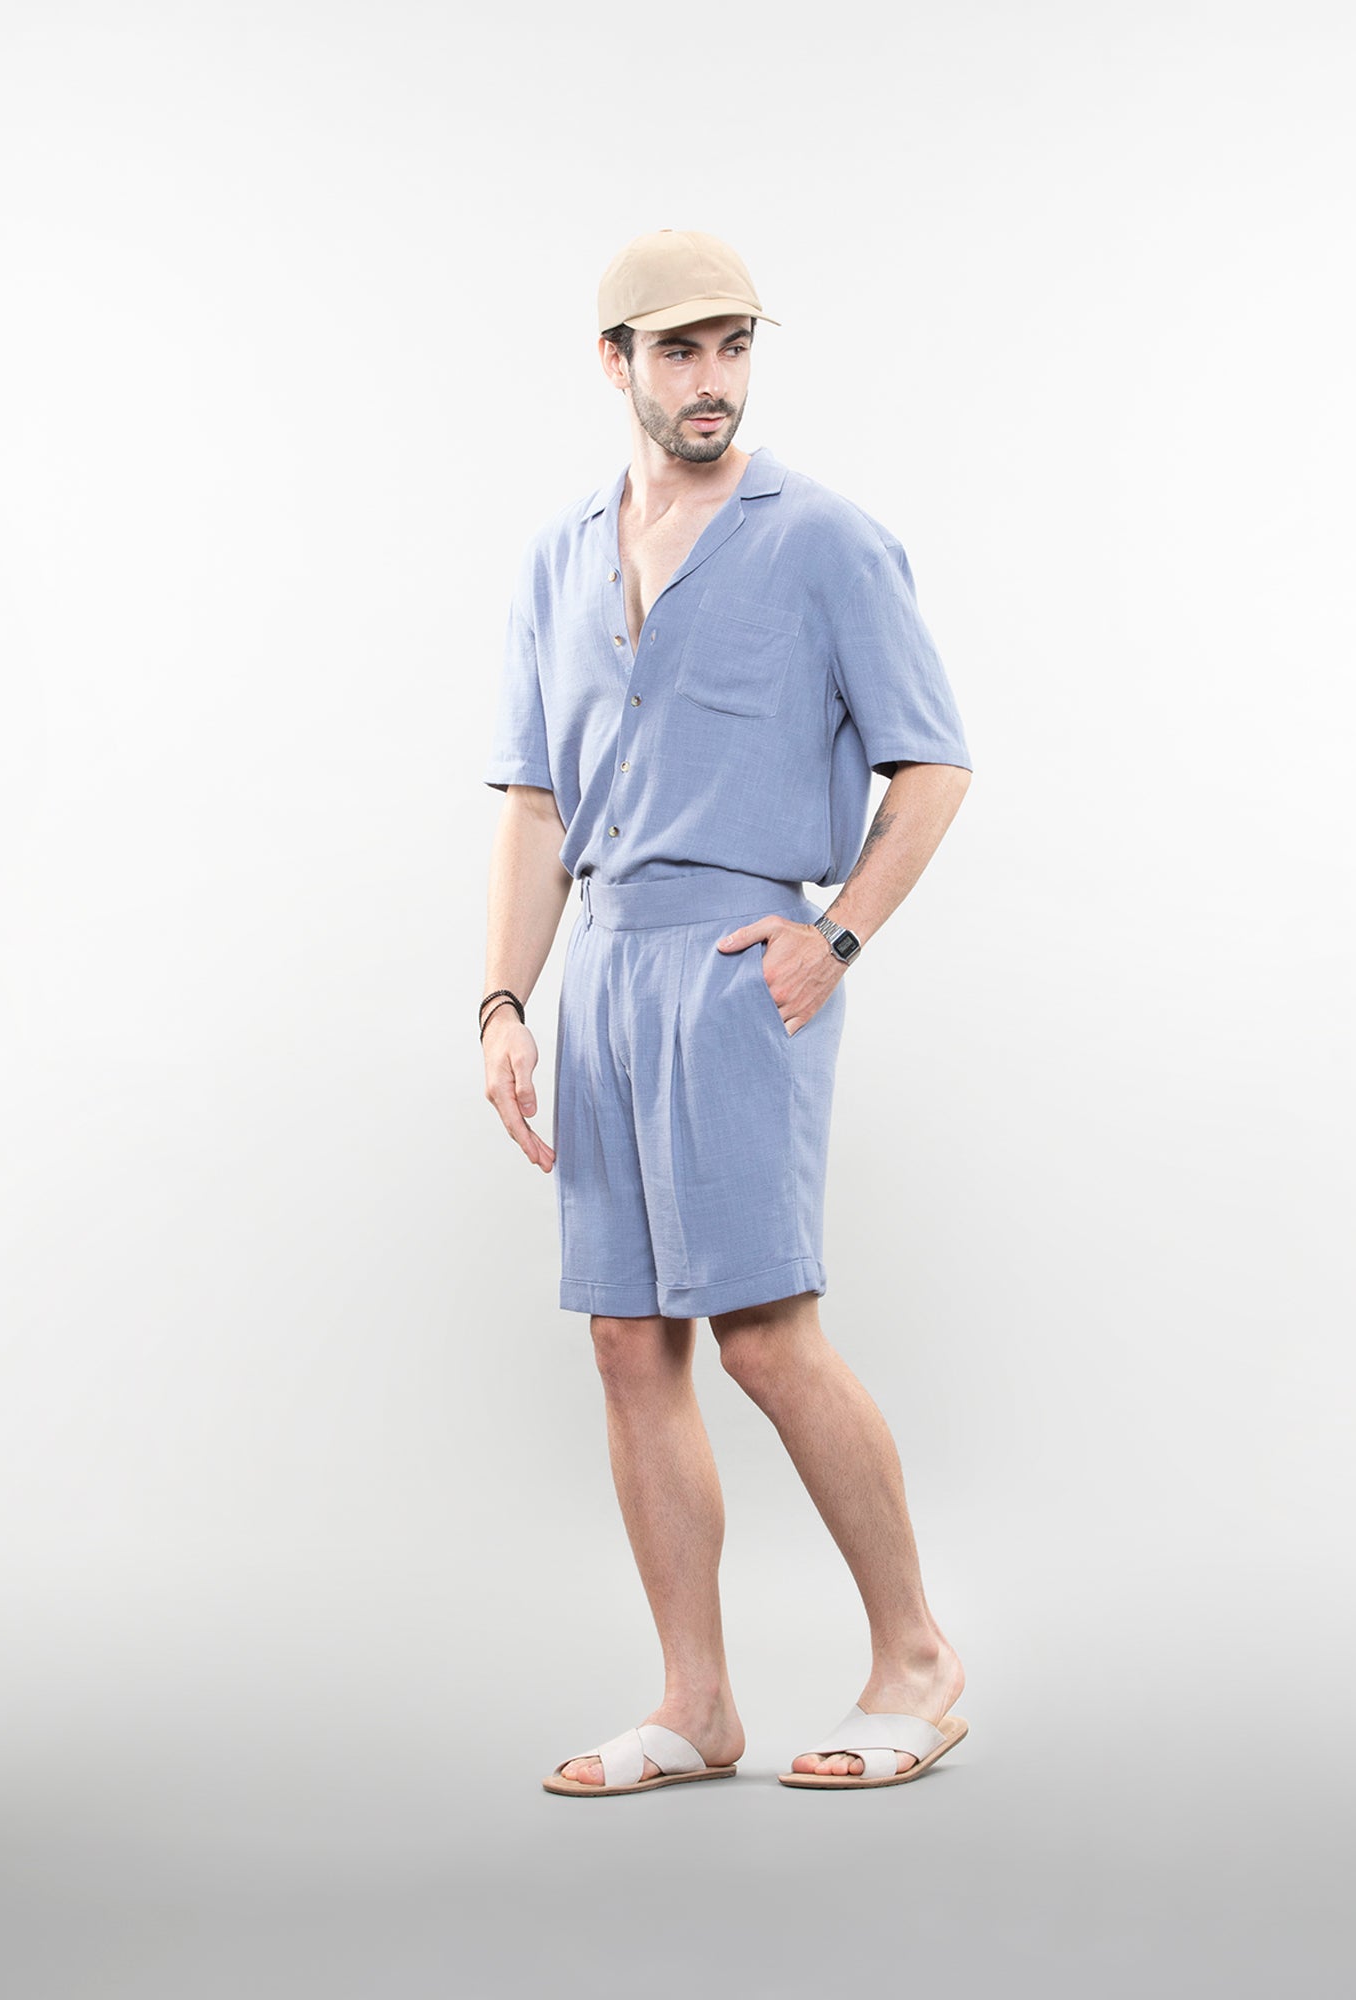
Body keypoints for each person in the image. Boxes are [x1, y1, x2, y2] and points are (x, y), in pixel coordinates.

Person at [480, 229, 973, 1795]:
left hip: (738, 970)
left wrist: (836, 936)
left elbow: (934, 765)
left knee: (763, 1333)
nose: (714, 380)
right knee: (631, 1343)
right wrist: (504, 1000)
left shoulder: (825, 542)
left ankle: (919, 1661)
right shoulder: (559, 558)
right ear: (614, 362)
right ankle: (697, 1703)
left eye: (735, 346)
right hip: (604, 973)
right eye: (681, 350)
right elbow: (536, 802)